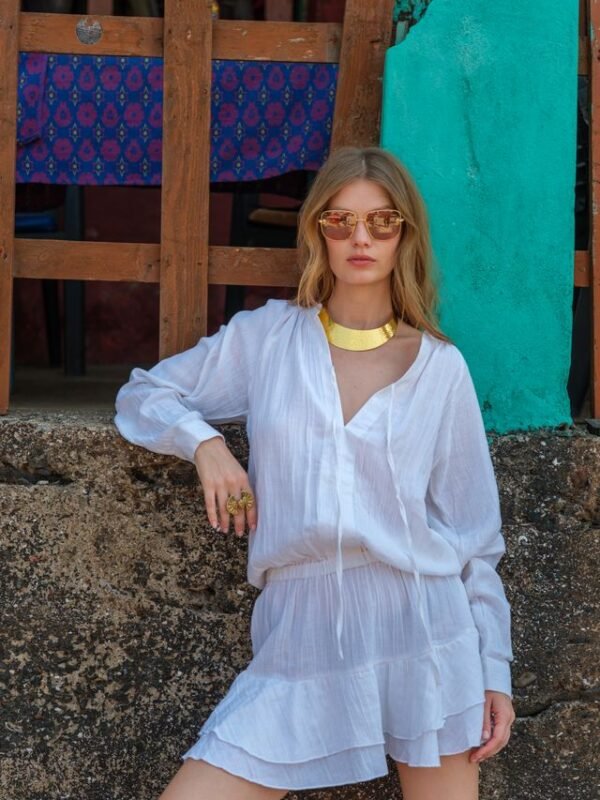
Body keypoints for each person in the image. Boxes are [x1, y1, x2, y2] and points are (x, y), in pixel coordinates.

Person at [114, 146, 515, 800]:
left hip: (425, 630)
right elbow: (143, 394)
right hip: (299, 632)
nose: (361, 238)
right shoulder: (267, 339)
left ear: (405, 235)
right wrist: (206, 445)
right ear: (317, 232)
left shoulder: (440, 368)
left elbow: (475, 539)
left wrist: (494, 671)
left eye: (382, 222)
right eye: (340, 220)